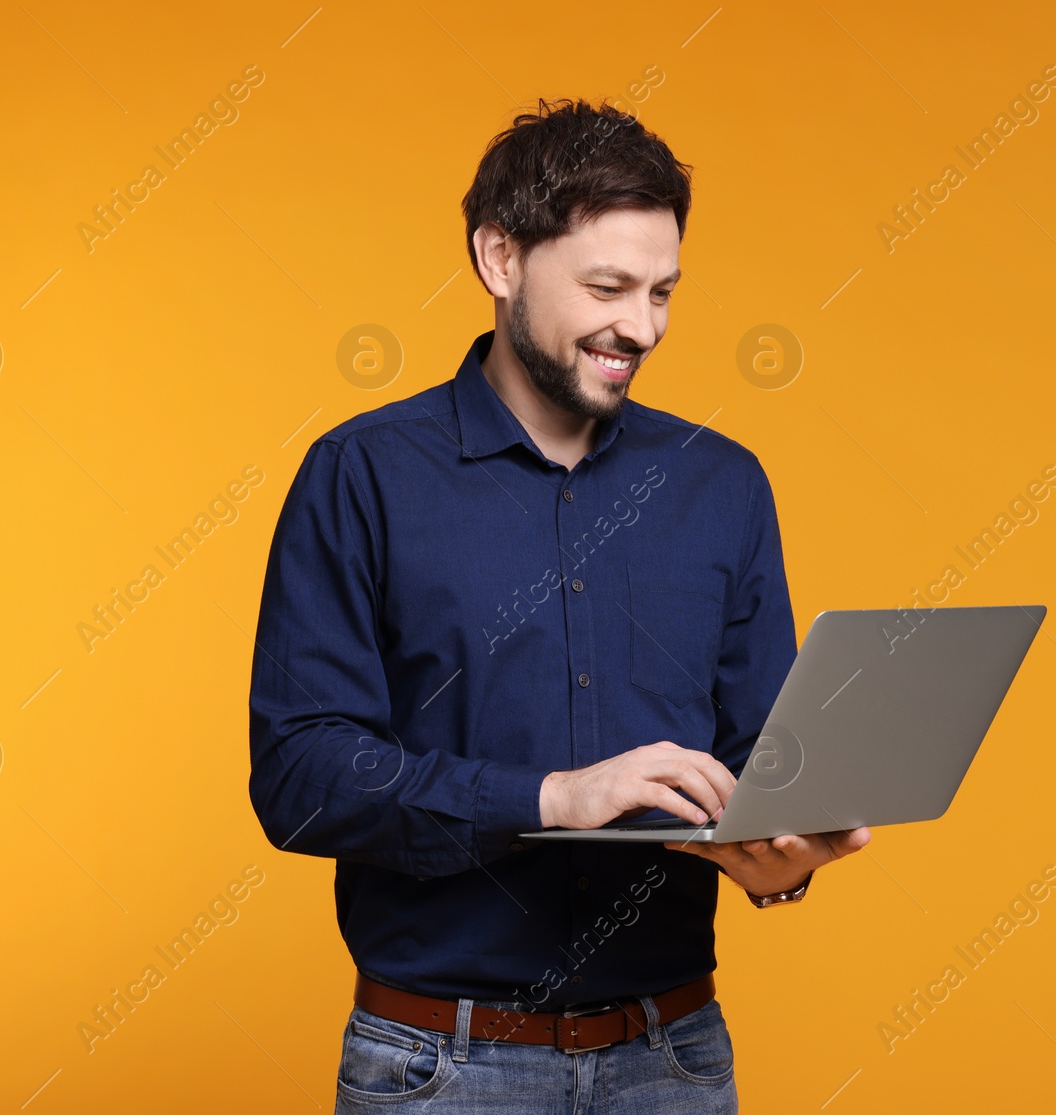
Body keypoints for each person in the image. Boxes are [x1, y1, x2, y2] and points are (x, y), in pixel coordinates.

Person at [247, 96, 870, 1114]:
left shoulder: (722, 484)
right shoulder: (361, 476)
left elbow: (760, 752)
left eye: (664, 290)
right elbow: (302, 773)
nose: (641, 325)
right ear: (500, 259)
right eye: (608, 286)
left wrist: (781, 856)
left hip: (673, 1058)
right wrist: (550, 796)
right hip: (438, 1069)